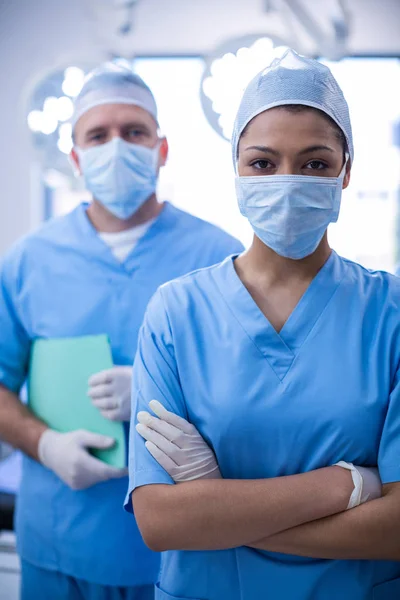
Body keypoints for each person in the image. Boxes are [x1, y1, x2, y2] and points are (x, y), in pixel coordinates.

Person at [127, 50, 400, 599]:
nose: (288, 180)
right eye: (262, 162)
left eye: (315, 163)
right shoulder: (177, 312)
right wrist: (346, 486)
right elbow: (160, 522)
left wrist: (219, 508)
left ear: (346, 174)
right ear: (236, 171)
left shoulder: (389, 312)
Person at [0, 63, 243, 600]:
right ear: (76, 158)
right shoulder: (27, 263)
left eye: (134, 132)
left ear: (161, 149)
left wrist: (161, 391)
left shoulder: (221, 258)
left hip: (181, 549)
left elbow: (254, 394)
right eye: (98, 135)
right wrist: (44, 445)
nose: (117, 146)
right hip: (60, 543)